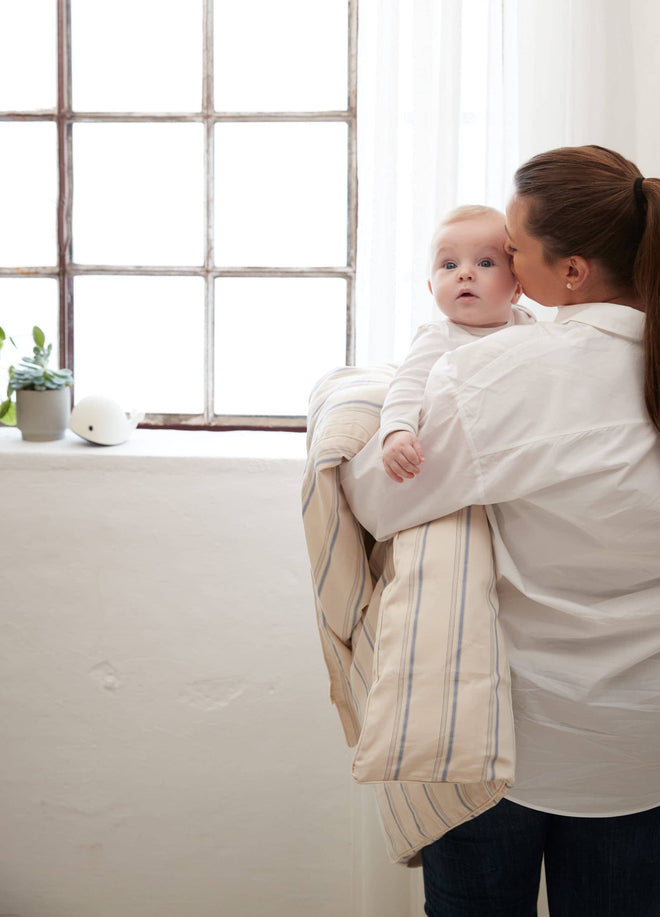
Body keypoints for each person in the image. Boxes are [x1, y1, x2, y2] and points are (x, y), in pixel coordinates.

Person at [340, 145, 660, 916]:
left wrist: (357, 413)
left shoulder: (511, 371)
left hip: (503, 748)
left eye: (512, 246)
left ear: (571, 271)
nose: (501, 260)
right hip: (640, 752)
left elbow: (378, 501)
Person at [380, 205, 533, 483]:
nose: (464, 273)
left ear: (518, 287)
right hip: (457, 457)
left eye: (485, 263)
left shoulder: (527, 326)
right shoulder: (438, 337)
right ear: (430, 287)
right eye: (449, 265)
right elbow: (406, 387)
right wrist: (397, 431)